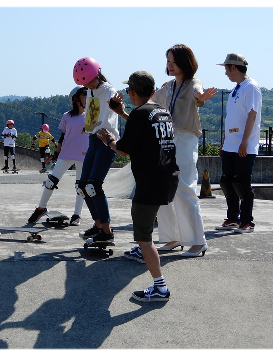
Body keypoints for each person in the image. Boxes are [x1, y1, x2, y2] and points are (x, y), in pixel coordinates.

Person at [96, 71, 179, 302]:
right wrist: (122, 113)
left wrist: (108, 140)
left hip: (149, 181)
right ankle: (151, 263)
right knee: (148, 233)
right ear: (152, 91)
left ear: (131, 92)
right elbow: (143, 130)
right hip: (168, 177)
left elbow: (123, 149)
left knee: (144, 237)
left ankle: (160, 287)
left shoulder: (139, 115)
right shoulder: (162, 112)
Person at [152, 44, 218, 257]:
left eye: (173, 61)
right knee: (163, 188)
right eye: (168, 61)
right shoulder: (169, 86)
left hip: (185, 138)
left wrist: (203, 98)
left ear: (184, 63)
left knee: (184, 188)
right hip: (166, 138)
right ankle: (172, 238)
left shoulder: (193, 83)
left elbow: (198, 97)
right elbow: (152, 99)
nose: (169, 65)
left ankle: (198, 241)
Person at [72, 57, 120, 243]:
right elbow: (93, 113)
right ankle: (98, 225)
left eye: (89, 81)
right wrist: (88, 126)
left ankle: (107, 233)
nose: (88, 86)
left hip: (107, 142)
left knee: (94, 186)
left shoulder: (109, 91)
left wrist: (117, 106)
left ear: (97, 74)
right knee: (82, 186)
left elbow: (113, 109)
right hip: (93, 141)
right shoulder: (91, 91)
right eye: (84, 84)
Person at [28, 86, 89, 226]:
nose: (87, 98)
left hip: (83, 155)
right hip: (66, 153)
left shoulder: (91, 115)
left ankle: (76, 215)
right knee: (50, 182)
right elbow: (62, 137)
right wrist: (55, 154)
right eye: (84, 96)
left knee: (80, 187)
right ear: (75, 99)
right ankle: (41, 208)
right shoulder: (66, 116)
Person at [216, 53, 262, 233]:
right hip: (230, 144)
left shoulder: (251, 87)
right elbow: (232, 119)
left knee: (241, 183)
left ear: (233, 67)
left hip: (244, 145)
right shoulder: (237, 88)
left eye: (226, 69)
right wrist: (224, 142)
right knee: (227, 182)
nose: (226, 73)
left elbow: (252, 115)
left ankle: (246, 221)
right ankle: (233, 218)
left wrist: (244, 142)